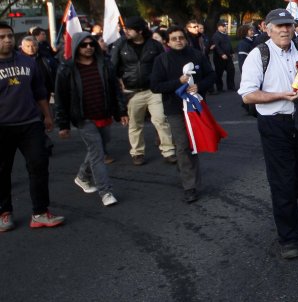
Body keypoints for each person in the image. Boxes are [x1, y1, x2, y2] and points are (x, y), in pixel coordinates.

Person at [238, 9, 298, 260]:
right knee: (283, 180)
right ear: (267, 28)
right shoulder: (258, 54)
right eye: (279, 25)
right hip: (274, 125)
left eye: (288, 25)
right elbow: (248, 95)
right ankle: (289, 237)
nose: (285, 30)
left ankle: (282, 203)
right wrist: (282, 94)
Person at [0, 22, 65, 231]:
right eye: (1, 37)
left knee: (39, 166)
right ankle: (4, 213)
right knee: (2, 171)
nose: (7, 40)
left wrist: (47, 116)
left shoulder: (28, 62)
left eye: (9, 36)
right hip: (2, 127)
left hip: (30, 123)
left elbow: (39, 91)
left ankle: (40, 212)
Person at [55, 33, 127, 207]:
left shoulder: (104, 64)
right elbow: (60, 98)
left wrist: (121, 111)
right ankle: (106, 191)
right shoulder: (67, 69)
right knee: (97, 153)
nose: (88, 47)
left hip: (104, 113)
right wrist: (63, 124)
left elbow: (115, 90)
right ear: (76, 47)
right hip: (83, 118)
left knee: (98, 148)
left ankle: (82, 176)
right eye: (84, 45)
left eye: (91, 44)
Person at [149, 26, 215, 204]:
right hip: (174, 109)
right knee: (183, 145)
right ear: (168, 42)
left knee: (195, 143)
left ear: (185, 39)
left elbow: (211, 75)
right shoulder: (161, 60)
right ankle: (190, 186)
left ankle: (186, 171)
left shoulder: (197, 55)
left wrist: (199, 86)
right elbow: (155, 86)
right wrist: (177, 83)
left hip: (196, 107)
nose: (178, 41)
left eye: (181, 38)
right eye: (174, 38)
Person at [109, 17, 175, 166]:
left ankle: (169, 151)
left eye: (129, 29)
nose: (126, 31)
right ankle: (137, 153)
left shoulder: (155, 45)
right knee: (135, 124)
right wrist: (119, 83)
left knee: (161, 120)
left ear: (139, 31)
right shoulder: (120, 45)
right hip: (132, 91)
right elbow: (112, 67)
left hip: (153, 90)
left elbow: (164, 64)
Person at [210, 20, 236, 93]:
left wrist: (232, 52)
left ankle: (231, 86)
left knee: (231, 70)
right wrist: (221, 54)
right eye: (223, 26)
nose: (225, 27)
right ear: (219, 27)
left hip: (228, 56)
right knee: (219, 73)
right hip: (219, 58)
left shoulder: (226, 35)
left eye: (225, 26)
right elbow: (217, 46)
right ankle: (219, 88)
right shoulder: (216, 36)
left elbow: (229, 45)